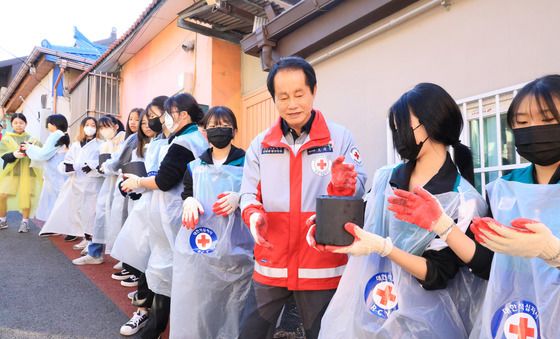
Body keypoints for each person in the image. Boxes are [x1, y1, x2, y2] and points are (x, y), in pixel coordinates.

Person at [312, 83, 488, 338]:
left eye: (404, 126)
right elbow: (358, 228)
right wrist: (340, 192)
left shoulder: (463, 200)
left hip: (425, 324)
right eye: (394, 128)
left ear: (433, 123)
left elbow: (438, 273)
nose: (399, 135)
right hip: (369, 312)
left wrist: (385, 249)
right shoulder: (387, 178)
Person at [394, 75, 560, 338]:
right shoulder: (504, 189)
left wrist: (553, 252)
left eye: (548, 120)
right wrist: (443, 225)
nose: (534, 129)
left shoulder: (471, 196)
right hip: (513, 320)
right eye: (524, 122)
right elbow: (487, 266)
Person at [238, 56, 367, 339]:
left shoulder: (339, 137)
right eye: (283, 97)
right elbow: (247, 194)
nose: (292, 104)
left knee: (325, 334)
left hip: (321, 265)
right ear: (274, 98)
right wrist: (253, 214)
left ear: (313, 91)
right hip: (270, 263)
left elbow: (358, 191)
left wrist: (344, 187)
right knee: (249, 333)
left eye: (299, 94)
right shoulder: (260, 145)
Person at [121, 93, 207, 339]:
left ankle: (156, 328)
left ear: (183, 114)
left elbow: (164, 180)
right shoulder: (193, 138)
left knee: (166, 272)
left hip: (174, 216)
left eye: (167, 114)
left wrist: (139, 182)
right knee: (170, 272)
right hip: (180, 214)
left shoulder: (183, 142)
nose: (164, 120)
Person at [170, 106, 254, 339]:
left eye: (224, 125)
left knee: (235, 304)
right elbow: (186, 192)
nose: (218, 130)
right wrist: (188, 201)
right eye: (213, 126)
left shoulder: (247, 162)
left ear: (235, 130)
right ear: (205, 131)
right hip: (203, 245)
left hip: (238, 249)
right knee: (203, 302)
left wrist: (241, 198)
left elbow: (258, 193)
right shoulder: (195, 166)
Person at [112, 101, 164, 336]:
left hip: (169, 215)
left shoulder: (177, 142)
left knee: (161, 267)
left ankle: (157, 315)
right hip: (148, 210)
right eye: (145, 119)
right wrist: (132, 187)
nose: (149, 123)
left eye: (155, 117)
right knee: (147, 261)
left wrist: (140, 184)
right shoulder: (148, 145)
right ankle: (142, 312)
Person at [72, 115, 125, 265]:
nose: (103, 130)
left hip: (121, 186)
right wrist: (103, 167)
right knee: (100, 218)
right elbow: (103, 168)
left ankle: (125, 258)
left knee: (120, 219)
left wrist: (105, 167)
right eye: (101, 128)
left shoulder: (125, 140)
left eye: (106, 126)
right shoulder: (106, 145)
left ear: (115, 126)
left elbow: (112, 165)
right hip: (107, 185)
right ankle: (94, 253)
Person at [39, 117, 103, 241]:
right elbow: (67, 161)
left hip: (92, 183)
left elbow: (102, 162)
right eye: (87, 124)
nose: (90, 127)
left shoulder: (100, 144)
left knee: (90, 212)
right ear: (82, 127)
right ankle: (75, 232)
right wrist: (69, 166)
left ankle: (88, 240)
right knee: (74, 209)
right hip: (76, 181)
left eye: (93, 125)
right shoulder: (76, 144)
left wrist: (91, 165)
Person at [0, 113, 42, 233]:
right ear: (11, 124)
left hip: (28, 171)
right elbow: (3, 155)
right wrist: (13, 154)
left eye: (21, 123)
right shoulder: (7, 138)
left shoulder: (32, 139)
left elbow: (40, 153)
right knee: (2, 195)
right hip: (11, 171)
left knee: (26, 196)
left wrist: (31, 150)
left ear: (25, 124)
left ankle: (25, 222)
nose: (18, 125)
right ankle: (2, 220)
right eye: (15, 123)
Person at [25, 114, 70, 222]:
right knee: (58, 198)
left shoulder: (55, 134)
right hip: (58, 172)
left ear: (53, 124)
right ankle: (56, 223)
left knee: (54, 199)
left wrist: (29, 147)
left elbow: (44, 154)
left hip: (55, 173)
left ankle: (56, 224)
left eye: (48, 123)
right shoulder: (61, 134)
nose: (47, 125)